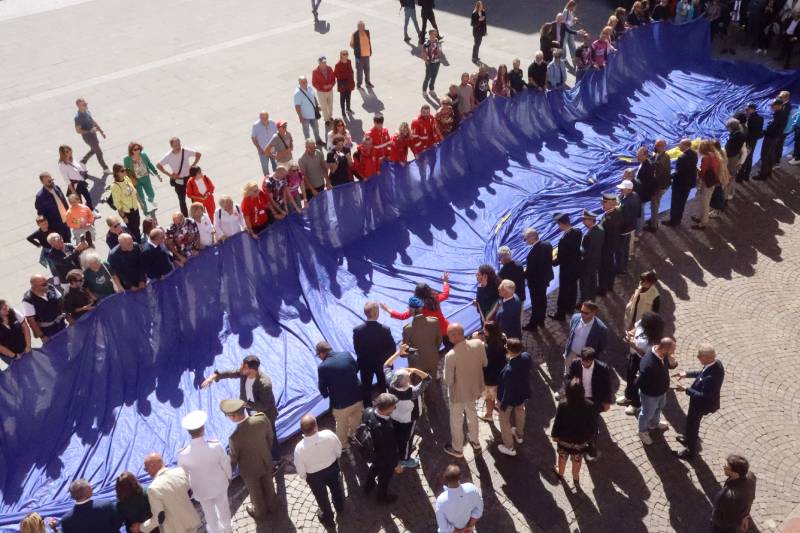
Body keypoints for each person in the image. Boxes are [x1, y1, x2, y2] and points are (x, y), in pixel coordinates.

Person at [201, 354, 280, 462]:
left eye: (244, 366)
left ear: (251, 370)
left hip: (266, 416)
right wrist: (214, 377)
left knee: (271, 436)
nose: (240, 367)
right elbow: (231, 373)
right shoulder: (244, 374)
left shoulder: (264, 384)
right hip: (250, 410)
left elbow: (267, 405)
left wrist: (249, 405)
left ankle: (276, 459)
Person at [220, 399, 278, 520]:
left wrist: (227, 474)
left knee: (255, 492)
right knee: (269, 484)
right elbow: (270, 437)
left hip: (249, 470)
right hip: (265, 460)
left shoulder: (234, 437)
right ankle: (273, 506)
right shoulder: (261, 418)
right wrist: (265, 452)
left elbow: (233, 459)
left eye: (228, 416)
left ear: (234, 416)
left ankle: (260, 512)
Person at [176, 410, 232, 533]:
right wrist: (229, 477)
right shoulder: (216, 445)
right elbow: (225, 463)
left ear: (189, 432)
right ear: (203, 428)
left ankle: (215, 531)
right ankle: (228, 530)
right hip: (219, 485)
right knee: (224, 510)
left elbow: (183, 476)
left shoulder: (183, 454)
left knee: (209, 515)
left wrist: (188, 489)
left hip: (200, 490)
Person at [673, 344, 725, 459]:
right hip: (698, 402)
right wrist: (687, 374)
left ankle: (690, 451)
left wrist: (686, 389)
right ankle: (688, 439)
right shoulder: (714, 364)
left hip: (701, 404)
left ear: (707, 358)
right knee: (691, 423)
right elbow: (702, 373)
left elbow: (703, 396)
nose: (697, 357)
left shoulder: (712, 377)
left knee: (693, 425)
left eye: (699, 356)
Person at [443, 323, 488, 458]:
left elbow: (449, 381)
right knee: (472, 414)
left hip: (458, 394)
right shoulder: (478, 344)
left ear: (454, 336)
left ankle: (457, 449)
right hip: (474, 389)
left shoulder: (451, 355)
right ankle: (475, 441)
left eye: (449, 334)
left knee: (456, 420)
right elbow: (484, 363)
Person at [383, 345, 432, 467]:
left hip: (394, 415)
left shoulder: (390, 383)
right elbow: (427, 379)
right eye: (408, 377)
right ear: (406, 381)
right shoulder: (413, 393)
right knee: (407, 439)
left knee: (397, 434)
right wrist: (415, 370)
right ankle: (404, 459)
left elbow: (386, 366)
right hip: (409, 420)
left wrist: (398, 353)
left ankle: (398, 449)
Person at [293, 414, 345, 528]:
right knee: (336, 489)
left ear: (302, 430)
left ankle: (328, 518)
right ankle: (340, 507)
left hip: (314, 476)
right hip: (332, 468)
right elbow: (339, 451)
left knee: (322, 498)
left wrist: (306, 477)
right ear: (316, 426)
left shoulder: (299, 448)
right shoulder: (329, 434)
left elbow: (300, 470)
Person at [564, 347, 613, 459]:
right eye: (583, 361)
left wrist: (607, 402)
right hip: (578, 398)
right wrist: (569, 387)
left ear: (593, 360)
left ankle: (591, 449)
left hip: (594, 400)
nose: (585, 364)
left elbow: (607, 387)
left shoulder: (603, 368)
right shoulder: (576, 363)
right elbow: (568, 377)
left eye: (588, 362)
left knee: (592, 425)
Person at [315, 341, 363, 450]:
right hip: (357, 396)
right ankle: (355, 436)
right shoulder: (346, 354)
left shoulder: (323, 367)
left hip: (341, 403)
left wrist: (325, 394)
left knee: (341, 425)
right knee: (356, 420)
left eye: (318, 355)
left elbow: (322, 387)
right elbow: (356, 369)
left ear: (322, 353)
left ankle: (344, 446)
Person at [551, 378, 597, 487]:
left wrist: (554, 435)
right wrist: (590, 437)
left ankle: (560, 473)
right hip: (580, 441)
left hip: (564, 439)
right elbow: (592, 425)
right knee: (577, 459)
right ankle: (576, 477)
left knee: (562, 457)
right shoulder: (590, 405)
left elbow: (557, 422)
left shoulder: (563, 405)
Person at [618, 311, 664, 415]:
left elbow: (648, 357)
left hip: (643, 361)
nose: (641, 323)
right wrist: (631, 333)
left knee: (637, 383)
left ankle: (636, 404)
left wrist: (634, 346)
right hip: (634, 356)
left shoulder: (655, 341)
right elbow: (635, 328)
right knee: (629, 376)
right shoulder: (642, 323)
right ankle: (628, 396)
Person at [383, 273, 451, 340]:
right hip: (446, 328)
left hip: (433, 334)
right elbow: (445, 294)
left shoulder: (417, 308)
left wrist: (387, 309)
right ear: (429, 290)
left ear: (416, 294)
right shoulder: (435, 299)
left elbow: (402, 316)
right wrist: (445, 281)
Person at [362, 393, 403, 503]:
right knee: (384, 478)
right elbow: (389, 451)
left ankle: (368, 486)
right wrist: (396, 464)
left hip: (374, 453)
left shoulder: (368, 411)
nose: (395, 408)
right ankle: (381, 498)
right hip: (383, 458)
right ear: (388, 409)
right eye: (393, 406)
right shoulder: (386, 429)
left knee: (374, 469)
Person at [559, 300, 607, 392]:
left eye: (586, 313)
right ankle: (565, 390)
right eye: (581, 311)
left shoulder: (601, 328)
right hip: (571, 353)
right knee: (567, 372)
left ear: (593, 313)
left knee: (583, 376)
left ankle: (580, 394)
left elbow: (601, 346)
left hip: (584, 357)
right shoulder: (575, 318)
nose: (582, 314)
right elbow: (571, 335)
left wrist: (590, 357)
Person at [353, 301, 395, 406]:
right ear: (377, 313)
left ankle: (368, 410)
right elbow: (392, 348)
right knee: (383, 385)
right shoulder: (385, 330)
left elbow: (357, 349)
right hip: (382, 363)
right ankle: (385, 406)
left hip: (365, 364)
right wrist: (386, 361)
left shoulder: (357, 330)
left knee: (366, 388)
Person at [637, 337, 677, 445]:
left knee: (659, 407)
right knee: (647, 413)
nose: (673, 353)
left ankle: (654, 424)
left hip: (661, 391)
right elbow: (640, 381)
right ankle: (642, 431)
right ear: (665, 349)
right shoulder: (648, 363)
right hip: (650, 394)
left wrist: (673, 364)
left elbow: (669, 365)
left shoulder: (663, 355)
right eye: (672, 350)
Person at [495, 338, 531, 456]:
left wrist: (502, 405)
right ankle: (519, 435)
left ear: (508, 350)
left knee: (504, 422)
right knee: (520, 413)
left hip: (509, 399)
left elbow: (507, 391)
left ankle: (509, 447)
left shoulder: (509, 370)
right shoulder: (526, 356)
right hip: (521, 395)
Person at [711, 455, 758, 533]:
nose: (724, 467)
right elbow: (751, 498)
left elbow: (718, 515)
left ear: (736, 474)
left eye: (727, 468)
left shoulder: (726, 496)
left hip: (724, 526)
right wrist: (745, 517)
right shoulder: (751, 475)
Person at [156, 137, 202, 217]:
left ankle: (197, 216)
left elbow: (198, 154)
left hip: (189, 179)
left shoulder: (185, 151)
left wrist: (193, 165)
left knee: (194, 199)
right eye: (176, 145)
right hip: (179, 181)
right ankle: (186, 219)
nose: (178, 146)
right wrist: (170, 175)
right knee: (182, 201)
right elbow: (158, 166)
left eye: (179, 144)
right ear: (172, 146)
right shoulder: (168, 156)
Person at [434, 465, 484, 533]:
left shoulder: (440, 501)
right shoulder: (471, 488)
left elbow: (443, 527)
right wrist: (469, 527)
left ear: (445, 478)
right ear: (460, 477)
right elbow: (479, 509)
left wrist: (459, 531)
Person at [551, 213, 582, 321]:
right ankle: (570, 307)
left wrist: (551, 262)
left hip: (566, 270)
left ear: (561, 224)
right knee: (573, 288)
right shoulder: (578, 232)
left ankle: (560, 314)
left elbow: (560, 258)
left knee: (563, 291)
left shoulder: (563, 241)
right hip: (576, 267)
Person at [523, 228, 554, 330]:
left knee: (535, 303)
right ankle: (541, 320)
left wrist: (522, 275)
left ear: (532, 238)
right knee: (543, 300)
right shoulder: (547, 244)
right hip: (545, 279)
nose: (525, 240)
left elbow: (530, 271)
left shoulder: (533, 253)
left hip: (536, 282)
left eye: (526, 238)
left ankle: (533, 325)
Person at [22, 275, 66, 343]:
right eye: (43, 284)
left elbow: (61, 301)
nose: (47, 285)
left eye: (46, 282)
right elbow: (31, 320)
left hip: (60, 323)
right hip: (47, 330)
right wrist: (41, 336)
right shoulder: (28, 300)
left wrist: (68, 315)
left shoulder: (51, 287)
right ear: (34, 286)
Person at [664, 139, 698, 226]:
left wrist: (669, 176)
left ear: (685, 145)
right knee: (682, 203)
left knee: (676, 203)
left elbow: (679, 173)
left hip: (680, 185)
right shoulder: (694, 154)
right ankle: (678, 219)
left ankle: (673, 221)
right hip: (689, 183)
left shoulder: (682, 158)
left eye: (680, 144)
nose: (678, 146)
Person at [477, 321, 506, 422]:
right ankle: (498, 405)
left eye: (484, 329)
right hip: (502, 374)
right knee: (499, 393)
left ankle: (488, 415)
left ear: (488, 332)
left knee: (489, 398)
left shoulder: (485, 347)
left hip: (490, 378)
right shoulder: (503, 338)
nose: (483, 331)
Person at [123, 142, 162, 216]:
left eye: (139, 149)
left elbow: (149, 164)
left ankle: (150, 200)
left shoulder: (143, 155)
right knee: (141, 198)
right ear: (131, 150)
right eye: (135, 149)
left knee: (151, 194)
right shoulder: (126, 159)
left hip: (146, 177)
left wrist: (156, 173)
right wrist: (127, 183)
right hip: (136, 181)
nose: (138, 151)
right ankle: (146, 212)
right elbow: (125, 171)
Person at [691, 139, 722, 230]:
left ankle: (703, 222)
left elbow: (703, 171)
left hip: (706, 183)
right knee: (705, 201)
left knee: (705, 202)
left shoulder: (706, 158)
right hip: (712, 182)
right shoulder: (715, 155)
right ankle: (701, 218)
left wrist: (698, 176)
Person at [73, 98, 109, 175]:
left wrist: (101, 131)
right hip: (88, 138)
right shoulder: (78, 118)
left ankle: (83, 162)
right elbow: (78, 131)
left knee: (94, 150)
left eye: (86, 103)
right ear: (78, 106)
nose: (86, 105)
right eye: (84, 104)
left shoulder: (87, 111)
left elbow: (93, 121)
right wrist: (89, 131)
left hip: (94, 135)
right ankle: (105, 168)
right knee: (99, 152)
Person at [754, 98, 787, 181]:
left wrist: (765, 131)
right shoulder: (780, 114)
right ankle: (768, 172)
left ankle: (763, 175)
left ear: (779, 106)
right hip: (775, 137)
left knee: (765, 155)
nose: (772, 107)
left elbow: (774, 127)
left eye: (773, 105)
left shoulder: (779, 115)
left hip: (771, 137)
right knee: (771, 154)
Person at [35, 171, 71, 243]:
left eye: (52, 180)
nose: (52, 182)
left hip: (66, 223)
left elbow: (64, 202)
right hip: (55, 227)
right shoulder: (40, 197)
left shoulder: (56, 188)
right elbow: (41, 215)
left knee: (68, 241)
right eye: (49, 181)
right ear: (43, 182)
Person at [110, 164, 142, 242]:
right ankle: (137, 243)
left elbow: (134, 191)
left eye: (125, 169)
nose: (124, 172)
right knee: (133, 230)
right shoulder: (115, 186)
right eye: (122, 171)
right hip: (128, 212)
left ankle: (137, 240)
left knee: (137, 227)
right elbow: (118, 204)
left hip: (135, 208)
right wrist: (124, 217)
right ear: (117, 173)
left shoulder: (127, 178)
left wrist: (140, 202)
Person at [57, 145, 94, 211]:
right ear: (62, 153)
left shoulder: (72, 158)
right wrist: (74, 192)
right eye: (67, 151)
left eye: (70, 149)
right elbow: (66, 180)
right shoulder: (62, 165)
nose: (70, 152)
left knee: (89, 199)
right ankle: (83, 214)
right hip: (75, 185)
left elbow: (78, 167)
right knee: (79, 202)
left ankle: (90, 212)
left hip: (81, 182)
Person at [645, 139, 671, 232]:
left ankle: (653, 226)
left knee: (654, 204)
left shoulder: (663, 159)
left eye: (657, 146)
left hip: (660, 186)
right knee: (656, 203)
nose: (655, 147)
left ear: (662, 147)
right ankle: (653, 220)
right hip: (664, 185)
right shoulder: (663, 155)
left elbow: (657, 173)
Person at [598, 193, 622, 296]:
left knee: (603, 268)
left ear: (612, 204)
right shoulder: (617, 212)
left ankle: (602, 289)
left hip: (606, 246)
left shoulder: (608, 218)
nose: (602, 204)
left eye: (604, 202)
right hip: (614, 244)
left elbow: (603, 234)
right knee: (611, 265)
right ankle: (609, 285)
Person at [579, 209, 603, 302]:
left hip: (587, 262)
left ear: (590, 220)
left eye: (584, 220)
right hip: (596, 259)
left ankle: (584, 301)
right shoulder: (600, 229)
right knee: (593, 281)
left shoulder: (588, 235)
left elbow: (585, 251)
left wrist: (579, 248)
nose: (583, 222)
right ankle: (592, 299)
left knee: (585, 283)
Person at [0, 300, 32, 369]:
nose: (8, 309)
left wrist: (28, 346)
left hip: (24, 348)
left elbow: (25, 328)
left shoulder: (14, 312)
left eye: (7, 306)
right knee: (19, 371)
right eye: (4, 309)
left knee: (30, 367)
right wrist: (14, 356)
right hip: (9, 355)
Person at [293, 76, 324, 146]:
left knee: (316, 128)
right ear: (299, 83)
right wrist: (300, 116)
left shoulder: (310, 88)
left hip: (313, 114)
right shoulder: (297, 93)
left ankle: (318, 140)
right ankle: (309, 145)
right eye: (303, 82)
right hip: (305, 116)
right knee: (306, 132)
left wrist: (317, 105)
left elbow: (314, 97)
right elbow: (297, 106)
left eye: (306, 82)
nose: (305, 83)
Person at [740, 103, 764, 179]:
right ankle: (746, 175)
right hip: (754, 140)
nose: (747, 110)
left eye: (748, 109)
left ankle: (740, 176)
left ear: (752, 109)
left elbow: (747, 130)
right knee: (750, 157)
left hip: (748, 140)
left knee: (745, 157)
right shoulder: (760, 118)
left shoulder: (750, 119)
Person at [251, 111, 278, 176]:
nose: (264, 120)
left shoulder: (272, 123)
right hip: (263, 151)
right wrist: (259, 148)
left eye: (266, 118)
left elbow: (277, 134)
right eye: (262, 118)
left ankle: (276, 179)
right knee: (265, 168)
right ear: (260, 118)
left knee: (276, 166)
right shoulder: (256, 126)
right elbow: (253, 138)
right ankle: (267, 182)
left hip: (273, 149)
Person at [312, 57, 336, 125]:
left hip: (330, 91)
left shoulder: (329, 68)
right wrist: (323, 87)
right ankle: (326, 120)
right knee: (324, 106)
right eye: (323, 62)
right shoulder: (315, 72)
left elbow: (333, 78)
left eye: (325, 62)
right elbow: (314, 83)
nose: (324, 63)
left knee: (330, 105)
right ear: (319, 63)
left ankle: (330, 116)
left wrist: (332, 84)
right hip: (321, 92)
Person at [350, 21, 374, 89]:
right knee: (359, 71)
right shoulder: (355, 34)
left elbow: (368, 42)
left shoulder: (367, 32)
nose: (363, 28)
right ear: (358, 27)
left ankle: (367, 82)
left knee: (367, 69)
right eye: (362, 26)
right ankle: (359, 84)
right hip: (359, 56)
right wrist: (357, 49)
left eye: (364, 26)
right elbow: (351, 44)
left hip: (367, 55)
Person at [421, 30, 443, 96]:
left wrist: (440, 54)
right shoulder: (426, 43)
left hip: (437, 62)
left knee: (434, 77)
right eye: (433, 34)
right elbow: (423, 53)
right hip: (429, 63)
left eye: (436, 34)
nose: (435, 35)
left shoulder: (437, 42)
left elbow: (439, 52)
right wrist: (426, 61)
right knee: (427, 77)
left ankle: (431, 89)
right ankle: (424, 91)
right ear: (430, 34)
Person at [334, 50, 355, 117]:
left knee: (348, 97)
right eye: (344, 54)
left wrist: (352, 81)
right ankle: (343, 111)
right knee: (342, 99)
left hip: (349, 83)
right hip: (342, 84)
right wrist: (343, 78)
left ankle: (348, 108)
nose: (345, 55)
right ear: (341, 55)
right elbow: (336, 74)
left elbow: (351, 71)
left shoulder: (349, 61)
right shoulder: (338, 65)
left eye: (346, 54)